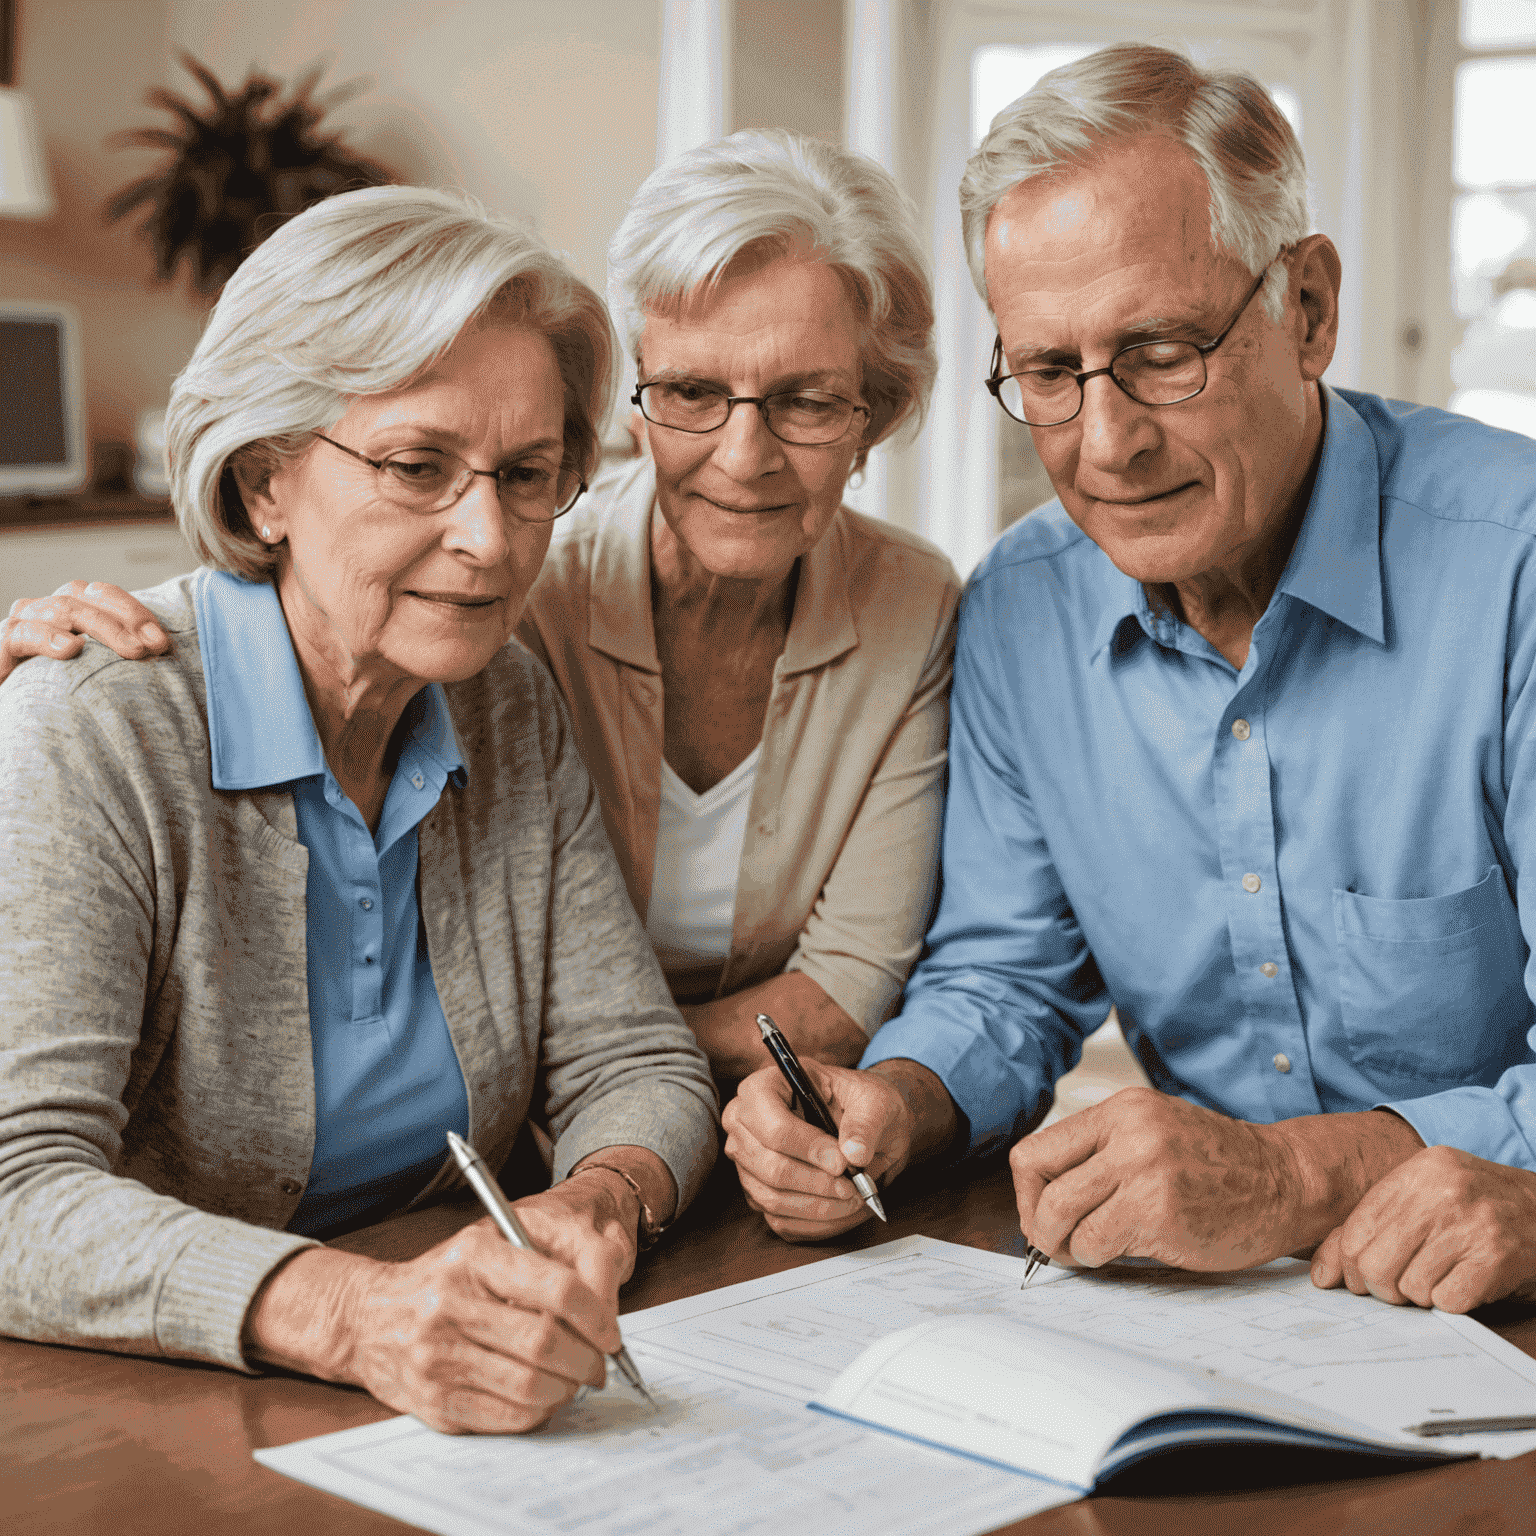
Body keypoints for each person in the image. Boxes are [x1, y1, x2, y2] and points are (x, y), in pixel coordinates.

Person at [723, 44, 1536, 1313]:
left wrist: (1293, 1176)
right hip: (1213, 1321)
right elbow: (1002, 977)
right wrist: (903, 1105)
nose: (1107, 444)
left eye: (1163, 350)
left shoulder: (1517, 569)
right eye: (1049, 373)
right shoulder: (1018, 613)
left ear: (1309, 309)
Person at [2, 130, 960, 1085]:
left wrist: (619, 1071)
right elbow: (291, 592)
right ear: (637, 403)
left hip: (654, 1129)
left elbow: (844, 988)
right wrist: (61, 689)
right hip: (507, 1133)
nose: (745, 456)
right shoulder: (509, 595)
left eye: (807, 402)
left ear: (871, 420)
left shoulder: (910, 608)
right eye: (694, 391)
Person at [0, 185, 718, 1433]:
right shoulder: (95, 725)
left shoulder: (507, 703)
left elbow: (636, 1060)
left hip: (430, 1409)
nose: (490, 539)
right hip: (128, 1417)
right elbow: (14, 1189)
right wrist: (354, 1314)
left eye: (528, 473)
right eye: (416, 467)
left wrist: (600, 1198)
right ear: (267, 478)